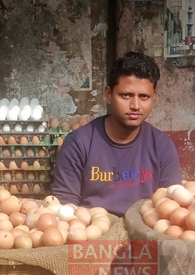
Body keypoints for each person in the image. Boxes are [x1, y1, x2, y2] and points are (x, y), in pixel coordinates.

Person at [52, 52, 182, 217]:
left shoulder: (161, 145)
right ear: (108, 94)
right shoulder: (78, 144)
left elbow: (170, 205)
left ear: (153, 97)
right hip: (94, 237)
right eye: (126, 95)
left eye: (144, 97)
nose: (135, 105)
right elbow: (65, 206)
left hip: (144, 234)